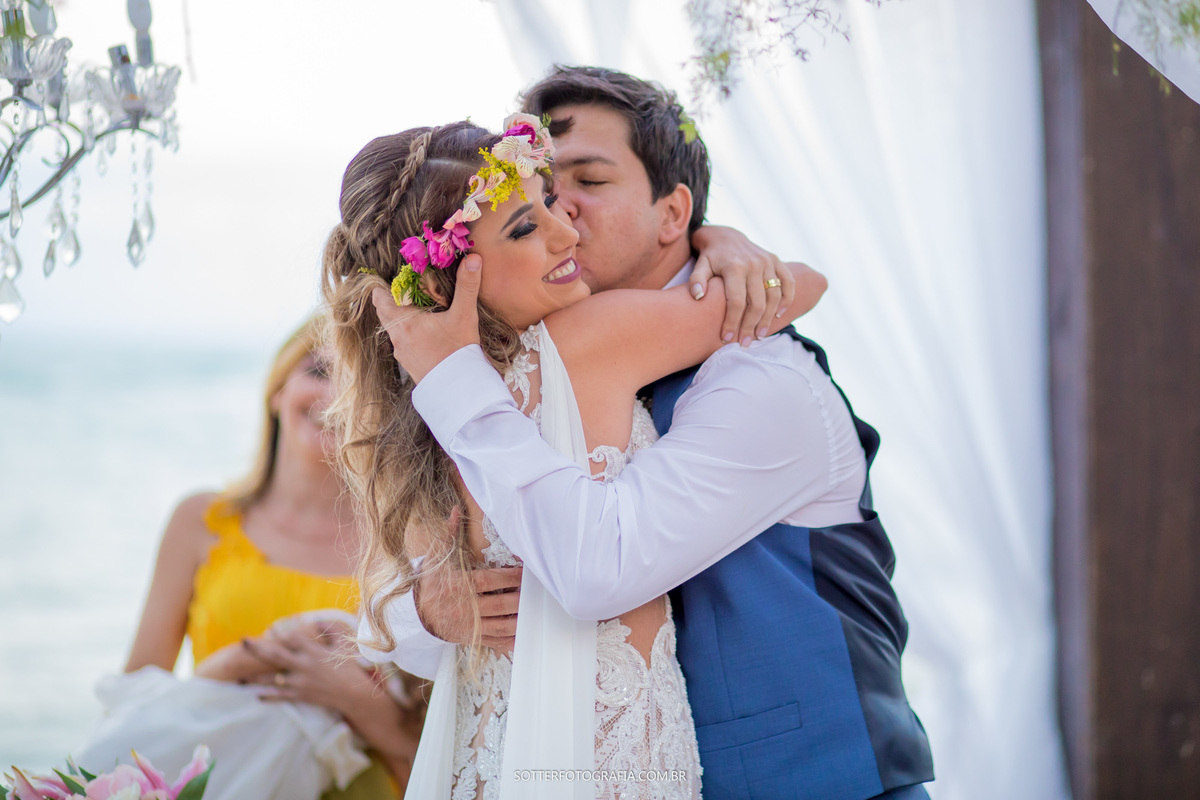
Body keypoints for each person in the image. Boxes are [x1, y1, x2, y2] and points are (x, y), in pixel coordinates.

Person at [369, 66, 935, 800]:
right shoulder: (522, 370)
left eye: (586, 179)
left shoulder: (761, 381)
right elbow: (389, 590)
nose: (559, 209)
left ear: (675, 217)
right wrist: (424, 612)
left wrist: (458, 391)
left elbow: (597, 567)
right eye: (539, 185)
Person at [319, 113, 824, 800]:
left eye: (551, 204)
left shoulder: (415, 407)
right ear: (444, 282)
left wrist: (427, 614)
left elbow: (381, 620)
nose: (568, 232)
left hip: (486, 756)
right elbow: (802, 286)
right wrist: (719, 243)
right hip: (599, 759)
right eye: (526, 228)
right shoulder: (585, 337)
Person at [76, 317, 423, 800]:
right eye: (319, 370)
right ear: (277, 392)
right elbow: (133, 711)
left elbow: (438, 761)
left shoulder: (405, 543)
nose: (335, 395)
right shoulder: (200, 521)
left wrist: (356, 702)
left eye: (358, 381)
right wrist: (233, 667)